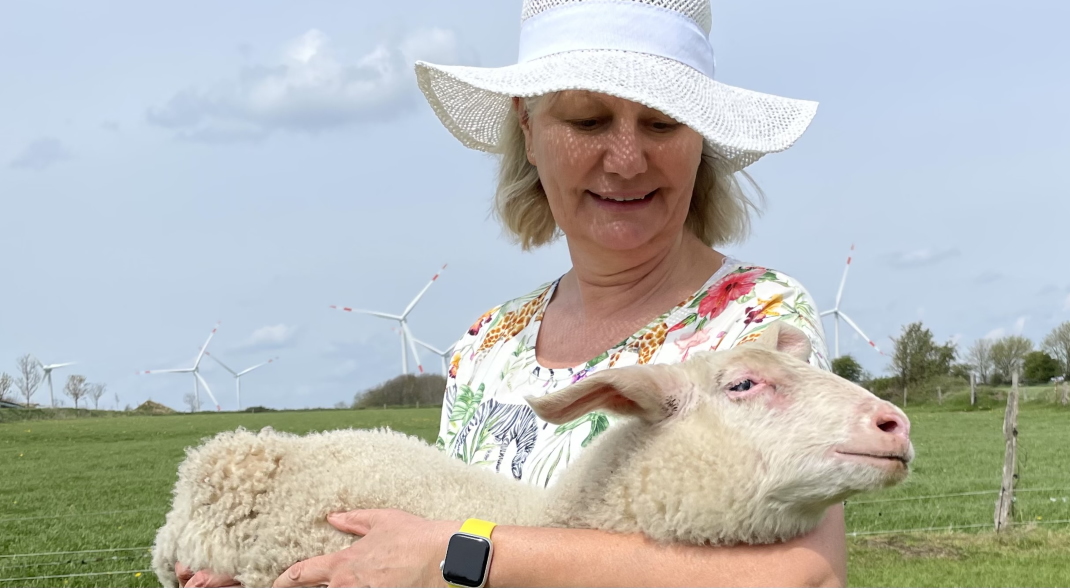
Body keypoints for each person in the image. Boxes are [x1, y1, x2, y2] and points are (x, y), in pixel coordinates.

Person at [178, 0, 845, 586]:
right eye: (587, 121)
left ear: (701, 139)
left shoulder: (753, 323)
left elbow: (803, 575)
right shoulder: (487, 343)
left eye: (662, 124)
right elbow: (414, 553)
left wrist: (470, 559)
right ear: (527, 127)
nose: (626, 159)